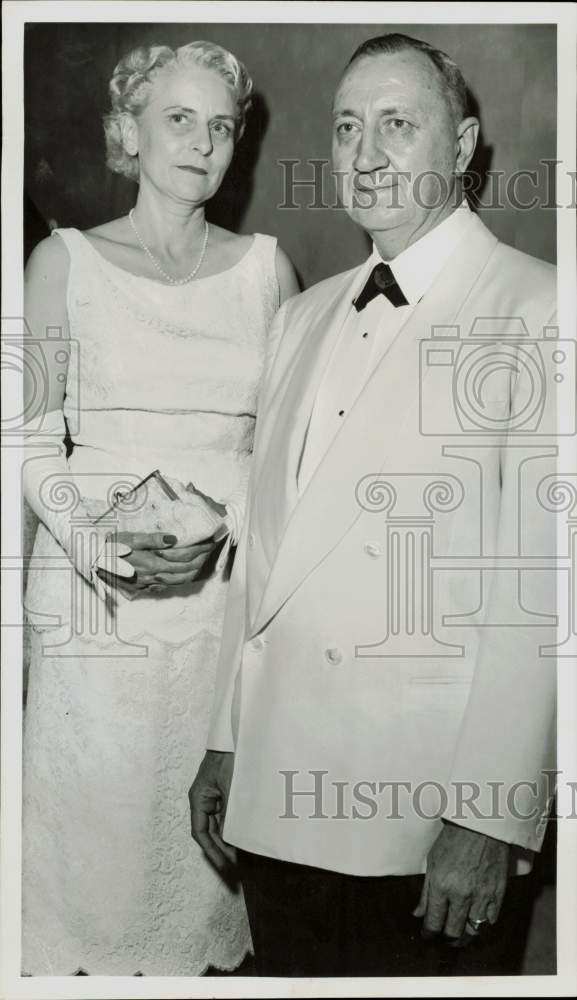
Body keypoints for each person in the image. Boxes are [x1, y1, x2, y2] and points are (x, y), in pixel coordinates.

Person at [190, 33, 558, 977]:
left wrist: (486, 813)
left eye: (398, 124)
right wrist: (229, 738)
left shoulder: (540, 310)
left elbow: (547, 593)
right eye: (347, 126)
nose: (364, 153)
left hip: (419, 826)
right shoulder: (300, 317)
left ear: (465, 144)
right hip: (273, 802)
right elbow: (265, 559)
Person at [21, 39, 298, 976]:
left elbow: (280, 464)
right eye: (178, 118)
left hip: (216, 618)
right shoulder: (62, 265)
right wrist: (101, 541)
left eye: (221, 126)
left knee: (198, 894)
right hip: (93, 614)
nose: (203, 142)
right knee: (87, 883)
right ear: (126, 133)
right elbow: (19, 442)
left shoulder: (269, 271)